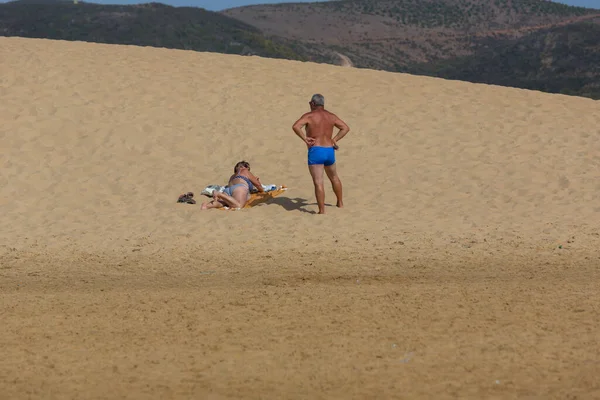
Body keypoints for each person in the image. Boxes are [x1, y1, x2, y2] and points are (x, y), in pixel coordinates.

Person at [292, 94, 350, 214]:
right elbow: (345, 128)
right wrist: (334, 140)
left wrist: (305, 138)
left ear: (313, 104)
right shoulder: (331, 116)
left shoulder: (309, 116)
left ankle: (321, 210)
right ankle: (340, 203)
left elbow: (296, 126)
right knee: (334, 177)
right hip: (329, 150)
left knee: (318, 181)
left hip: (316, 150)